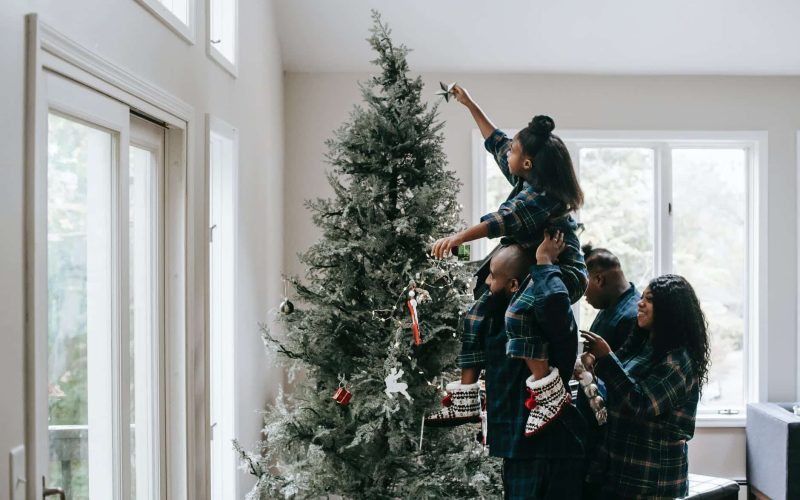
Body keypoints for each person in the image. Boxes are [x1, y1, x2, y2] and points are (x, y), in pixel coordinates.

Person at [428, 85, 586, 435]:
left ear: (527, 162)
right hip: (536, 265)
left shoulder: (540, 197)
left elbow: (499, 222)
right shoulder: (527, 173)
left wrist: (457, 239)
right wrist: (470, 103)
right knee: (475, 314)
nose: (509, 152)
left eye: (516, 150)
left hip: (563, 271)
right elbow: (496, 141)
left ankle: (549, 391)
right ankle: (465, 399)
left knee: (517, 313)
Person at [582, 275, 710, 499]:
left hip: (650, 479)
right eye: (641, 297)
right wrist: (591, 367)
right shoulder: (643, 347)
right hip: (620, 468)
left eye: (649, 300)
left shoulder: (678, 361)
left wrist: (608, 358)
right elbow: (618, 390)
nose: (640, 303)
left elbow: (641, 404)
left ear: (670, 309)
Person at [576, 244, 639, 499]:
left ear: (599, 279)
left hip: (610, 439)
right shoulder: (610, 310)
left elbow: (623, 381)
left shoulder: (631, 316)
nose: (583, 295)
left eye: (584, 285)